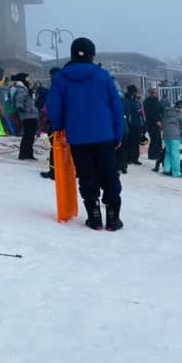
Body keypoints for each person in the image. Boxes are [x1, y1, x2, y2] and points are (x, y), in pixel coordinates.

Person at [46, 37, 124, 231]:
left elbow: (53, 106)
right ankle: (113, 218)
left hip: (76, 137)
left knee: (86, 174)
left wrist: (59, 127)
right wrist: (118, 134)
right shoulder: (102, 76)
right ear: (92, 55)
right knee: (109, 173)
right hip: (104, 135)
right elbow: (116, 107)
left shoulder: (61, 78)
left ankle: (94, 216)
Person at [10, 73, 38, 160]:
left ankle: (29, 154)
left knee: (31, 136)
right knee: (28, 135)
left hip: (32, 114)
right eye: (27, 78)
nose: (29, 80)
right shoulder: (21, 89)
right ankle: (24, 154)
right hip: (28, 115)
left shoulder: (26, 88)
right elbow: (19, 99)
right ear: (23, 79)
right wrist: (20, 107)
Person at [40, 67, 61, 179]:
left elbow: (51, 105)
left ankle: (53, 171)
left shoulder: (55, 87)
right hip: (68, 123)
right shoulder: (67, 85)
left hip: (56, 123)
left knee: (55, 147)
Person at [158, 99, 182, 177]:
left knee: (168, 152)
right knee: (175, 154)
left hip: (166, 135)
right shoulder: (180, 114)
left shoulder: (166, 113)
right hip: (175, 136)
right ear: (181, 107)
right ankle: (176, 172)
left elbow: (162, 123)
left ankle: (166, 170)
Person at [123, 85, 145, 165]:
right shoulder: (128, 101)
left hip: (137, 124)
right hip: (131, 124)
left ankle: (135, 157)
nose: (136, 94)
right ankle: (130, 158)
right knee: (131, 141)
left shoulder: (136, 102)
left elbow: (140, 114)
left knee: (136, 142)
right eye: (135, 92)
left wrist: (143, 125)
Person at [143, 87, 164, 163]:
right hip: (152, 123)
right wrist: (157, 121)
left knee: (158, 139)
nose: (155, 94)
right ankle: (152, 155)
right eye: (153, 93)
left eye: (155, 93)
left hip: (157, 123)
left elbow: (161, 109)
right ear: (150, 93)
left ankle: (158, 154)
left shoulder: (157, 101)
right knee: (154, 139)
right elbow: (150, 113)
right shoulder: (147, 102)